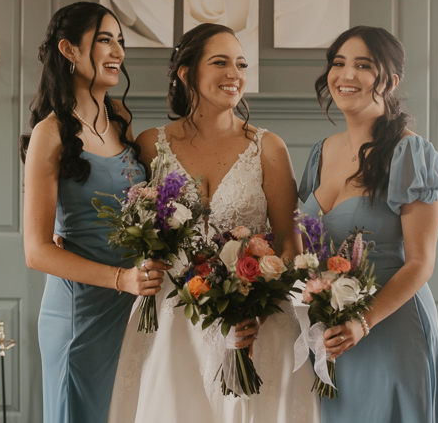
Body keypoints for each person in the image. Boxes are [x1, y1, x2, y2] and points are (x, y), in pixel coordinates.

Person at [108, 23, 319, 423]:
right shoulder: (152, 144)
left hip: (252, 323)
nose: (234, 73)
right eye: (219, 62)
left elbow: (291, 244)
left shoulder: (268, 148)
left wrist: (258, 307)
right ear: (186, 73)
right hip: (171, 320)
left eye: (240, 63)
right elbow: (119, 203)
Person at [298, 26, 438, 422]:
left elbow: (421, 261)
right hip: (331, 335)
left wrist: (362, 322)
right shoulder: (320, 153)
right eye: (338, 63)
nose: (346, 75)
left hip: (389, 326)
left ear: (391, 80)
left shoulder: (411, 153)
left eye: (362, 65)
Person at [21, 2, 168, 423]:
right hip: (80, 316)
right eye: (105, 39)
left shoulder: (120, 118)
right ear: (68, 50)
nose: (118, 51)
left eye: (120, 41)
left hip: (131, 310)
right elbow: (36, 252)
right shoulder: (50, 134)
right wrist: (122, 279)